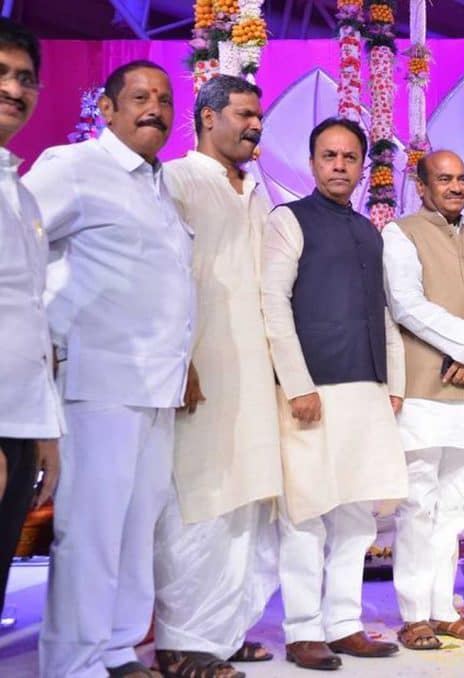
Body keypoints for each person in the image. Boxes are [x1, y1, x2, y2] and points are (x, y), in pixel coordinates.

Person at [26, 60, 194, 678]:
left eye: (164, 99)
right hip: (98, 380)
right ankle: (73, 663)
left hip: (157, 386)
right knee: (92, 530)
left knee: (137, 527)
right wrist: (40, 340)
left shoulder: (158, 184)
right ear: (107, 107)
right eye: (140, 97)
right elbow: (17, 247)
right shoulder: (74, 167)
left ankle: (119, 649)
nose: (155, 108)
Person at [261, 117, 408, 671]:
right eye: (329, 156)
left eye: (349, 157)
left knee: (357, 514)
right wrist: (296, 383)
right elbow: (272, 302)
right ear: (313, 162)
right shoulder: (289, 220)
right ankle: (303, 629)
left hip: (366, 388)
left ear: (362, 167)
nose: (340, 166)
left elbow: (384, 312)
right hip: (312, 390)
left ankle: (343, 624)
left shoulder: (369, 230)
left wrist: (393, 385)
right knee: (306, 511)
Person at [152, 75, 282, 678]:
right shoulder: (178, 180)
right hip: (200, 368)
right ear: (208, 117)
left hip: (254, 370)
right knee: (199, 503)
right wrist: (179, 358)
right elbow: (164, 276)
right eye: (243, 114)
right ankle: (181, 643)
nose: (255, 125)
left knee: (246, 502)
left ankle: (223, 632)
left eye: (258, 116)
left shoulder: (257, 190)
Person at [382, 150, 464, 650]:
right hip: (424, 390)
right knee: (418, 504)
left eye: (461, 178)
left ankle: (442, 610)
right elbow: (407, 304)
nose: (456, 187)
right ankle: (414, 613)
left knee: (458, 507)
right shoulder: (400, 234)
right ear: (422, 186)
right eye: (444, 179)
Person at [0, 17, 61, 617]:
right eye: (0, 74)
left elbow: (30, 315)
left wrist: (43, 432)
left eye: (25, 78)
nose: (13, 89)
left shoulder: (22, 195)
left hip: (20, 422)